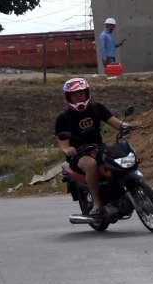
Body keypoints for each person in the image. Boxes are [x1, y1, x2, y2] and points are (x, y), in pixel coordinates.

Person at [53, 77, 132, 224]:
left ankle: (119, 191)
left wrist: (127, 126)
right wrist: (68, 149)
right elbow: (63, 144)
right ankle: (96, 204)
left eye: (81, 93)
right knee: (91, 165)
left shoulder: (97, 108)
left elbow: (116, 123)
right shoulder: (63, 118)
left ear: (87, 93)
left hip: (98, 147)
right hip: (79, 154)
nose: (78, 97)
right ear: (68, 97)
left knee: (117, 158)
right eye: (74, 95)